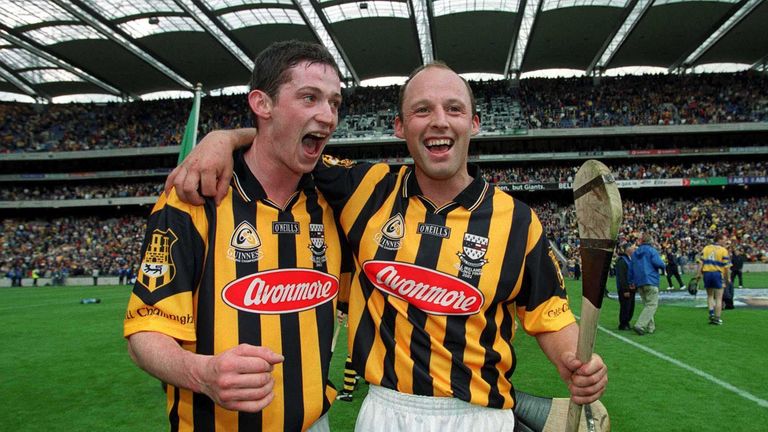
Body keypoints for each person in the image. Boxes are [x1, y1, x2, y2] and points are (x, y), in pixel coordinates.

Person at [169, 61, 608, 431]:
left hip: (480, 416)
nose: (439, 120)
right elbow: (283, 140)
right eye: (422, 110)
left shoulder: (518, 221)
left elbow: (549, 314)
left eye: (454, 109)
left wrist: (573, 358)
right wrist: (222, 139)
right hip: (385, 411)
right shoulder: (365, 187)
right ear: (400, 127)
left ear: (474, 123)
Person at [124, 40, 350, 432]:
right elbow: (146, 331)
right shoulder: (193, 199)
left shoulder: (337, 195)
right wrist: (203, 373)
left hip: (316, 424)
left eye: (334, 102)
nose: (327, 116)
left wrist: (225, 136)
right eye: (309, 98)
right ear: (262, 104)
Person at [628, 233, 666, 335]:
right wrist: (663, 266)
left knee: (647, 304)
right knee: (652, 305)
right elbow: (659, 263)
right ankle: (640, 325)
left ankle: (650, 327)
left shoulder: (635, 253)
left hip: (639, 282)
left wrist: (631, 282)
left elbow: (630, 269)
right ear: (650, 241)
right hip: (651, 280)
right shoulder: (651, 251)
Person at [697, 234, 731, 324]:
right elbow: (726, 267)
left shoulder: (706, 248)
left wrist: (698, 274)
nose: (726, 241)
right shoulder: (723, 250)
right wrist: (728, 278)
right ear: (719, 240)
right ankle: (717, 318)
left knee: (710, 295)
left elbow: (701, 262)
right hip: (717, 273)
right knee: (719, 298)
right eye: (724, 239)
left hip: (707, 273)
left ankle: (711, 313)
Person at [615, 243, 635, 330]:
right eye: (632, 248)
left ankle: (627, 322)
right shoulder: (622, 261)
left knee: (631, 306)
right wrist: (625, 290)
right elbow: (622, 277)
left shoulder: (630, 260)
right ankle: (623, 324)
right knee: (625, 306)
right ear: (628, 250)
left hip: (632, 287)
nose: (634, 250)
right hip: (625, 288)